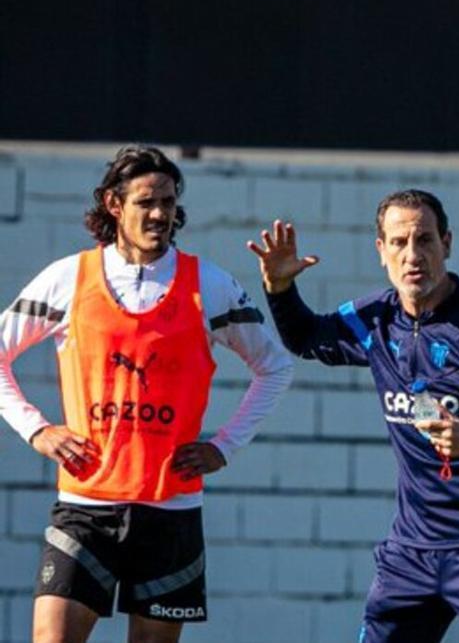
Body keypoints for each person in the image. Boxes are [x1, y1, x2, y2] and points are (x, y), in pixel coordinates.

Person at [249, 189, 459, 643]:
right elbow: (308, 338)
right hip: (412, 550)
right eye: (400, 242)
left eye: (424, 240)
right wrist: (281, 289)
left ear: (447, 243)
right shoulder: (376, 319)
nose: (413, 255)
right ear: (381, 250)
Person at [0, 145, 294, 643]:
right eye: (145, 202)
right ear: (114, 205)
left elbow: (275, 366)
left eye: (168, 201)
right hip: (84, 505)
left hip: (170, 511)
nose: (160, 213)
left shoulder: (210, 285)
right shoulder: (69, 277)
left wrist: (224, 445)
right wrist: (37, 429)